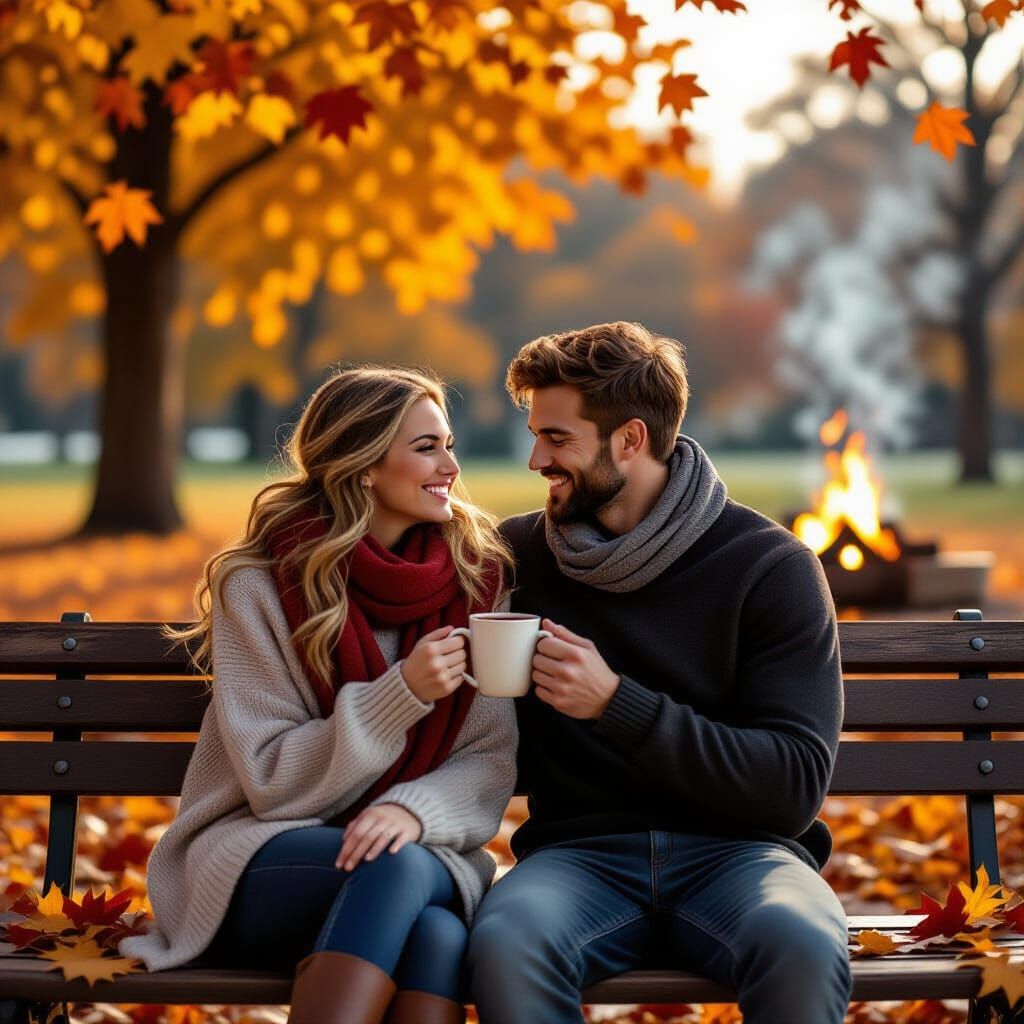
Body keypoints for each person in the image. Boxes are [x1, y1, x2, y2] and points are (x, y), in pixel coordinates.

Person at [466, 322, 851, 1024]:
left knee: (801, 941)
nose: (534, 460)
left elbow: (793, 784)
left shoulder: (769, 567)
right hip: (577, 860)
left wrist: (614, 702)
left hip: (742, 859)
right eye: (536, 434)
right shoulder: (514, 556)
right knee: (505, 941)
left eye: (557, 439)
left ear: (630, 441)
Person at [118, 366, 517, 1024]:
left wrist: (413, 813)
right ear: (363, 466)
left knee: (435, 929)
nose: (451, 464)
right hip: (256, 858)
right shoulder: (260, 583)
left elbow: (488, 759)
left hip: (415, 856)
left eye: (448, 443)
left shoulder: (477, 579)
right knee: (401, 874)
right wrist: (403, 692)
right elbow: (272, 778)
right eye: (426, 447)